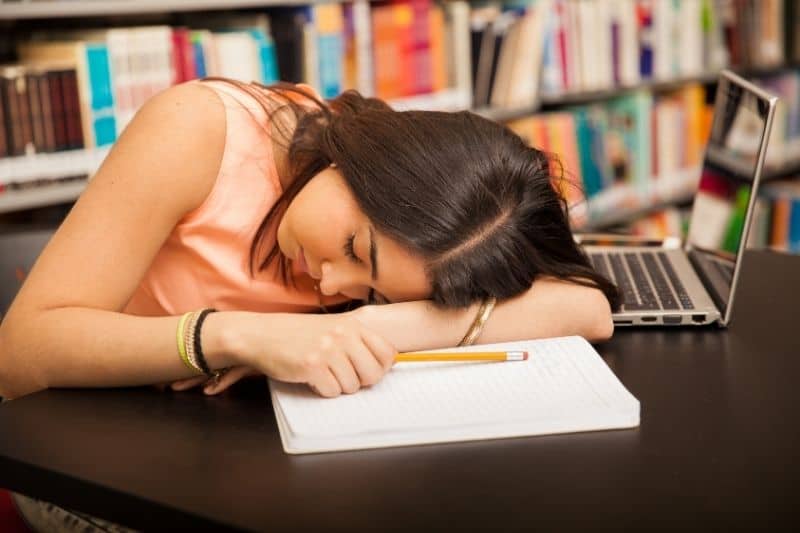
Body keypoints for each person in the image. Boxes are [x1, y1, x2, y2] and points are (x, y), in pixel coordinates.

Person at [0, 78, 619, 402]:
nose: (331, 286)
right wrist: (239, 335)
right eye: (355, 250)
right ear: (364, 162)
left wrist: (367, 330)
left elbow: (586, 309)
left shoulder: (449, 230)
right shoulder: (197, 130)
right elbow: (19, 355)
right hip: (88, 452)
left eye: (372, 292)